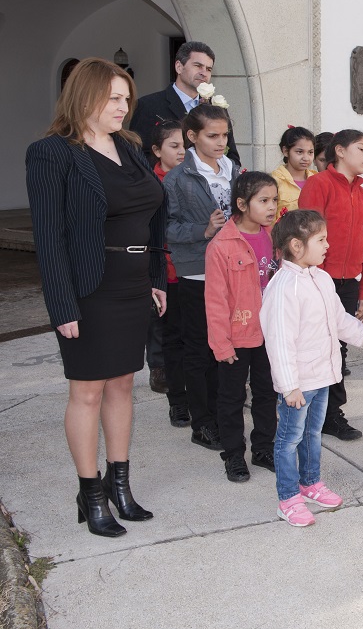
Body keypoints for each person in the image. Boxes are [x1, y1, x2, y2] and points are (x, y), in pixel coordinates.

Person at [25, 57, 165, 537]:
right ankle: (90, 493)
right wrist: (61, 304)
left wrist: (154, 278)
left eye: (126, 98)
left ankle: (119, 484)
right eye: (114, 98)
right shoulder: (52, 153)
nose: (124, 108)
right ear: (85, 97)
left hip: (131, 285)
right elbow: (50, 237)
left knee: (124, 384)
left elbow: (151, 217)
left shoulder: (129, 148)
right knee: (87, 391)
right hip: (88, 287)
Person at [261, 210, 363, 527]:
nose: (328, 245)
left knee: (312, 434)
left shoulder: (321, 279)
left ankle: (310, 483)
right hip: (297, 385)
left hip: (322, 377)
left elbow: (338, 321)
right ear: (297, 246)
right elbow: (279, 340)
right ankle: (287, 499)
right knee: (288, 441)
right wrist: (289, 386)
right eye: (321, 239)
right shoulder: (284, 288)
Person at [164, 104, 240, 452]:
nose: (220, 141)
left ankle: (225, 413)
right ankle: (203, 422)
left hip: (233, 268)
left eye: (224, 134)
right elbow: (167, 228)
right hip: (197, 271)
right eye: (212, 135)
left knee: (229, 345)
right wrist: (204, 229)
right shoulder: (178, 178)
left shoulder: (233, 169)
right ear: (192, 137)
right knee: (200, 349)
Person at [298, 129, 363, 440]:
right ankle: (306, 410)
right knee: (315, 346)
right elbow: (305, 236)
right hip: (318, 280)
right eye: (361, 148)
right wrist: (312, 278)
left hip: (348, 283)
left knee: (338, 349)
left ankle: (332, 413)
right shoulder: (319, 185)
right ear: (339, 151)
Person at [205, 172, 280, 483]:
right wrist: (221, 345)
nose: (272, 207)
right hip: (237, 337)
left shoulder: (274, 236)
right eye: (263, 201)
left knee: (267, 393)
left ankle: (263, 448)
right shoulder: (222, 246)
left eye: (275, 200)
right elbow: (216, 301)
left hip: (269, 334)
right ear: (241, 204)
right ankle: (234, 455)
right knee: (232, 398)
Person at [130, 41, 240, 166]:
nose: (204, 73)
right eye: (198, 66)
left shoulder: (216, 109)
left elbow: (232, 156)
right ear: (179, 67)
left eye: (208, 69)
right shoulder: (148, 105)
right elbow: (138, 156)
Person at [149, 121, 190, 427]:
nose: (181, 152)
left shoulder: (192, 178)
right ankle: (177, 401)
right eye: (173, 146)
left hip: (197, 271)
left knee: (198, 340)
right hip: (169, 274)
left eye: (183, 146)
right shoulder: (151, 183)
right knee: (173, 341)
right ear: (157, 150)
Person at [271, 126, 316, 215]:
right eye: (299, 152)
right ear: (285, 151)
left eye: (310, 152)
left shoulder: (317, 179)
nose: (306, 158)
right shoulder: (274, 181)